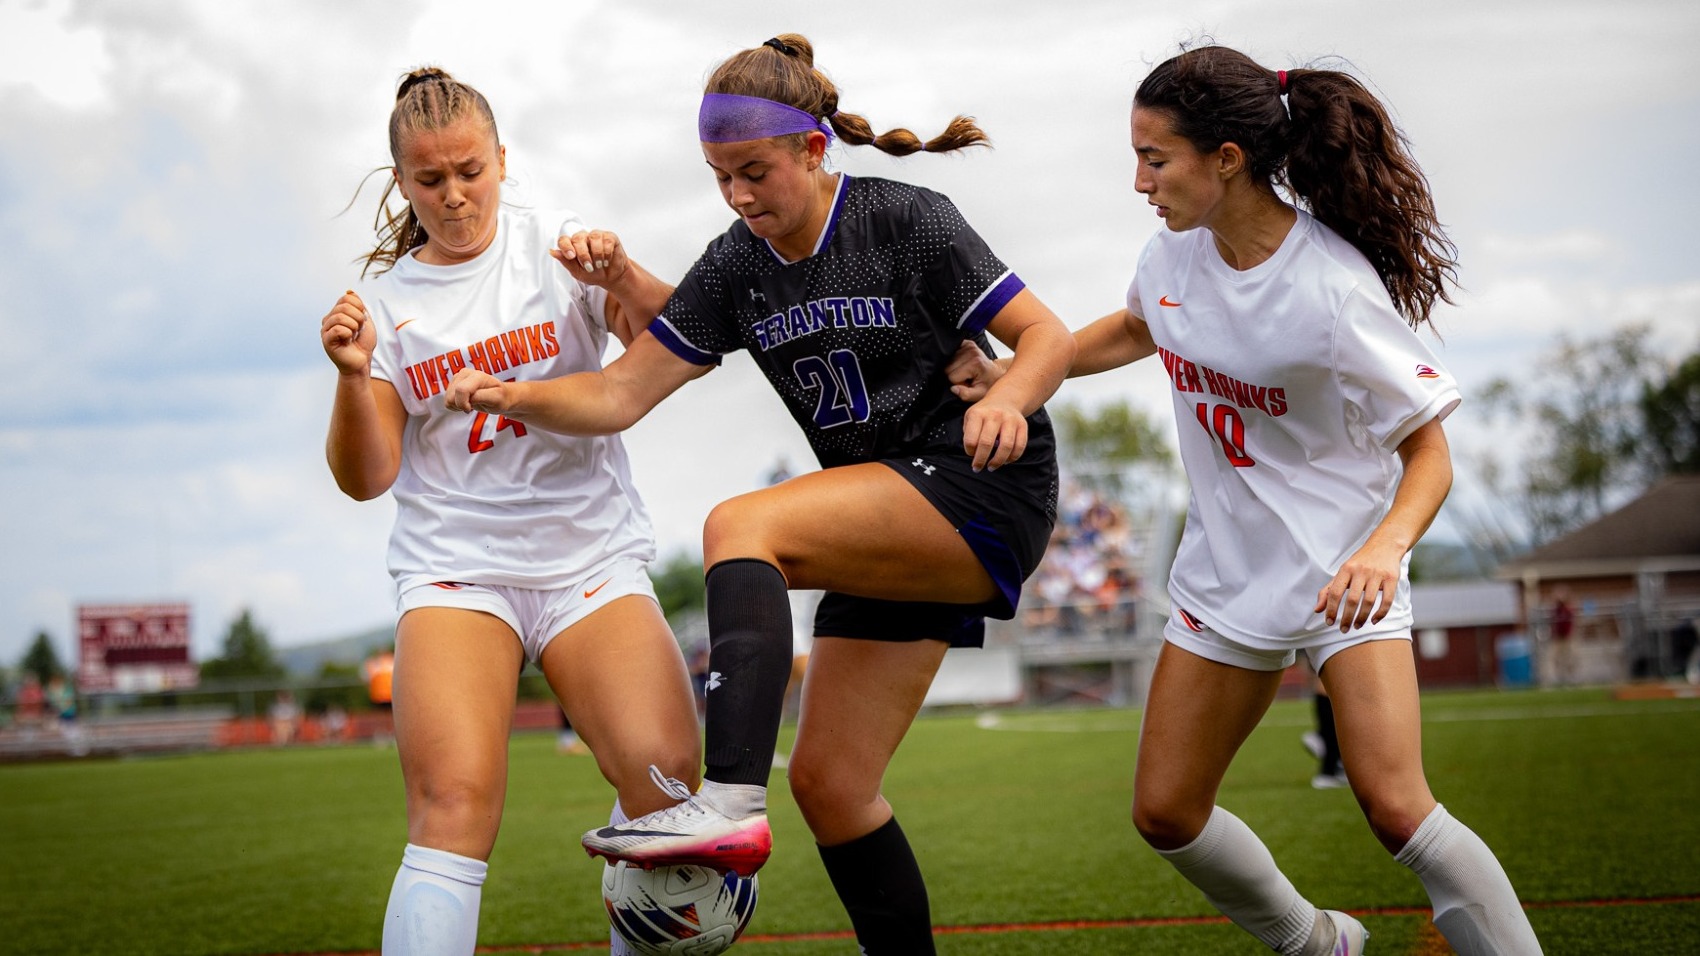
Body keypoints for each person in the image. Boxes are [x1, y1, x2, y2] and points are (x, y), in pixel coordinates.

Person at [442, 34, 1075, 953]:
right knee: (832, 785)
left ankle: (729, 800)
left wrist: (1013, 392)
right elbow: (623, 390)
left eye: (754, 171)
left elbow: (1045, 334)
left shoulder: (906, 220)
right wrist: (516, 396)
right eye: (718, 176)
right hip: (884, 514)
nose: (738, 196)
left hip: (982, 489)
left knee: (744, 523)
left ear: (815, 151)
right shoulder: (740, 260)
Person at [952, 44, 1542, 956]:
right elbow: (1136, 328)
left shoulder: (1332, 289)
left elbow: (1430, 452)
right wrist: (1020, 370)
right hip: (1224, 578)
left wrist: (1383, 551)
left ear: (1226, 158)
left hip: (1344, 576)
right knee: (1165, 811)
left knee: (1394, 806)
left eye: (1156, 159)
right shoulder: (1172, 256)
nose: (1139, 181)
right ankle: (1317, 943)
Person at [320, 67, 701, 956]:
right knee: (452, 807)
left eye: (469, 171)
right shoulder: (383, 306)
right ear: (401, 183)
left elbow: (675, 348)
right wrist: (350, 376)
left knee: (668, 787)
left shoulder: (556, 248)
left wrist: (624, 274)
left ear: (502, 159)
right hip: (459, 572)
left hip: (589, 562)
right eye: (429, 180)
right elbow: (364, 478)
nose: (453, 197)